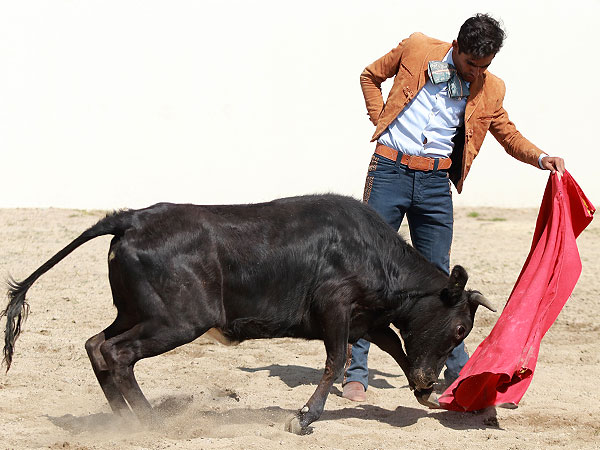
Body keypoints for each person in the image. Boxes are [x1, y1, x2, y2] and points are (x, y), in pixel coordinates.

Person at [342, 13, 566, 402]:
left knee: (443, 282)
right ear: (456, 46)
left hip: (435, 184)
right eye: (470, 63)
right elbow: (369, 76)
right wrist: (382, 120)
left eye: (484, 66)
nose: (476, 72)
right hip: (390, 170)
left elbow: (507, 133)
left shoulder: (491, 87)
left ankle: (456, 370)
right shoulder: (417, 48)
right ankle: (356, 370)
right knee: (367, 270)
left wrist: (541, 157)